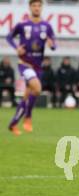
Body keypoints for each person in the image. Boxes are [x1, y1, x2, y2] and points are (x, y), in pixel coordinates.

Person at [6, 0, 56, 135]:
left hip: (38, 67)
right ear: (30, 7)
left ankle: (13, 124)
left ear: (42, 7)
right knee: (38, 88)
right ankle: (28, 116)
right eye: (34, 5)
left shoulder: (47, 26)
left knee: (27, 95)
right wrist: (16, 48)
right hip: (25, 64)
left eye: (39, 5)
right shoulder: (22, 25)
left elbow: (53, 43)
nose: (37, 8)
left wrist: (52, 45)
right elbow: (9, 37)